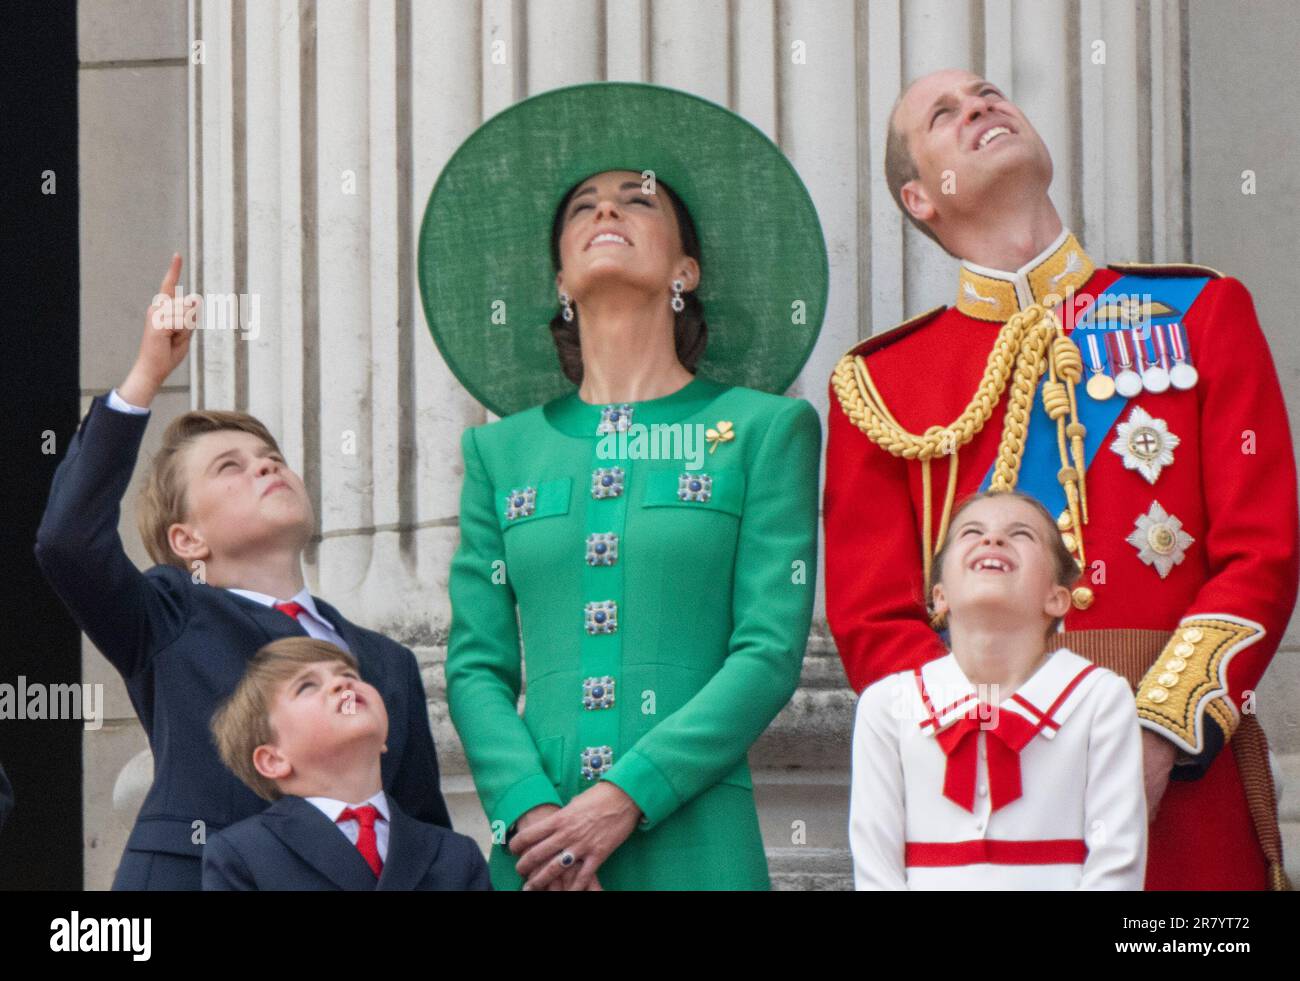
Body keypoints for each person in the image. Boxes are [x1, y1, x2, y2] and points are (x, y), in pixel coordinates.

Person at [825, 69, 1297, 889]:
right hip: (984, 800)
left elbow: (1262, 554)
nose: (980, 107)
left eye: (989, 93)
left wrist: (1152, 738)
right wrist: (1003, 746)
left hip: (1182, 781)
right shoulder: (880, 385)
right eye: (945, 114)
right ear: (918, 199)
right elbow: (873, 619)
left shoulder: (1199, 312)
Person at [420, 82, 828, 889]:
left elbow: (769, 650)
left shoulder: (763, 429)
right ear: (560, 281)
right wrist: (532, 812)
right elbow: (475, 666)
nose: (607, 211)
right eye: (582, 207)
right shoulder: (500, 451)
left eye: (637, 199)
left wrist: (625, 794)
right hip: (540, 850)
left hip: (698, 828)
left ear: (686, 266)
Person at [34, 255, 451, 889]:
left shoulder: (385, 663)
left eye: (271, 457)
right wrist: (147, 374)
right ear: (186, 538)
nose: (265, 468)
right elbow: (67, 540)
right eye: (230, 467)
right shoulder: (169, 615)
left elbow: (425, 837)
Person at [850, 490, 1146, 889]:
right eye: (972, 532)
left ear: (1057, 598)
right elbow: (876, 869)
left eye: (1021, 534)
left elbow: (1116, 864)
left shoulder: (1100, 699)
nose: (992, 540)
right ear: (940, 595)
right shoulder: (888, 706)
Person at [202, 637, 489, 891]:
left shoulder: (455, 854)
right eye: (307, 686)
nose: (344, 684)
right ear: (273, 759)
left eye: (349, 674)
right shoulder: (243, 854)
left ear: (384, 739)